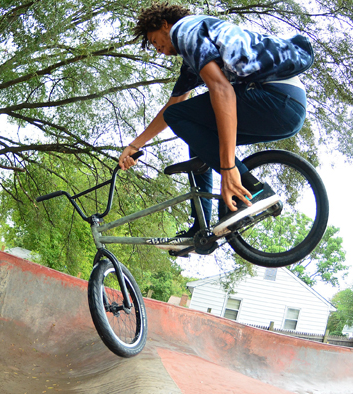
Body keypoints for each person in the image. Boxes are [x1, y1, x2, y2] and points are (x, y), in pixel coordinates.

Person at [119, 3, 313, 240]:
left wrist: (228, 168)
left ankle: (253, 188)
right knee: (196, 132)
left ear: (164, 25)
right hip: (288, 110)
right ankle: (200, 225)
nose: (158, 49)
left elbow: (222, 91)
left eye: (154, 41)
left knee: (181, 117)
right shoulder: (194, 49)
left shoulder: (185, 31)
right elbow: (174, 103)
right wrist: (135, 145)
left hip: (277, 99)